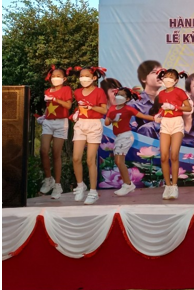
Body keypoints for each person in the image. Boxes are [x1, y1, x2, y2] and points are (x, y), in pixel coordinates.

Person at [104, 87, 158, 196]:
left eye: (122, 95)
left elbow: (142, 116)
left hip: (126, 136)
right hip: (118, 137)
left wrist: (155, 118)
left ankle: (127, 184)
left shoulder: (128, 109)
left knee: (119, 161)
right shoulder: (112, 108)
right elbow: (106, 123)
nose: (119, 97)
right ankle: (128, 184)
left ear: (128, 99)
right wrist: (111, 118)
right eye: (118, 94)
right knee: (117, 161)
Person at [70, 66, 108, 204]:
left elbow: (104, 110)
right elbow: (79, 107)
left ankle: (93, 191)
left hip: (94, 125)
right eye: (81, 76)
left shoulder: (99, 92)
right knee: (76, 158)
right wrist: (76, 113)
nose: (83, 78)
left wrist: (91, 107)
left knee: (90, 160)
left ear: (94, 78)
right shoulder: (77, 92)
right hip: (81, 125)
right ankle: (81, 185)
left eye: (87, 76)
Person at [37, 65, 73, 200]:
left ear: (64, 78)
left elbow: (68, 105)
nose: (55, 78)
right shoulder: (47, 91)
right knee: (43, 150)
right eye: (53, 76)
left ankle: (58, 185)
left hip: (61, 123)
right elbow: (49, 107)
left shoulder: (66, 89)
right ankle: (49, 179)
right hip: (48, 122)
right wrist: (43, 116)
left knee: (56, 153)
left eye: (58, 76)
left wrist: (55, 99)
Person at [157, 69, 192, 200]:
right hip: (165, 123)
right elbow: (162, 108)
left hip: (177, 122)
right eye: (166, 76)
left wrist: (175, 107)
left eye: (171, 77)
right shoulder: (161, 93)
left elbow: (188, 108)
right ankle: (167, 185)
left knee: (174, 155)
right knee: (164, 156)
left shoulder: (179, 92)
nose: (168, 79)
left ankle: (174, 185)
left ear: (176, 80)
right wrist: (159, 114)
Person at [128, 60, 163, 129]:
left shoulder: (169, 101)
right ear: (143, 79)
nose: (160, 75)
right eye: (154, 72)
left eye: (162, 72)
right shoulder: (134, 104)